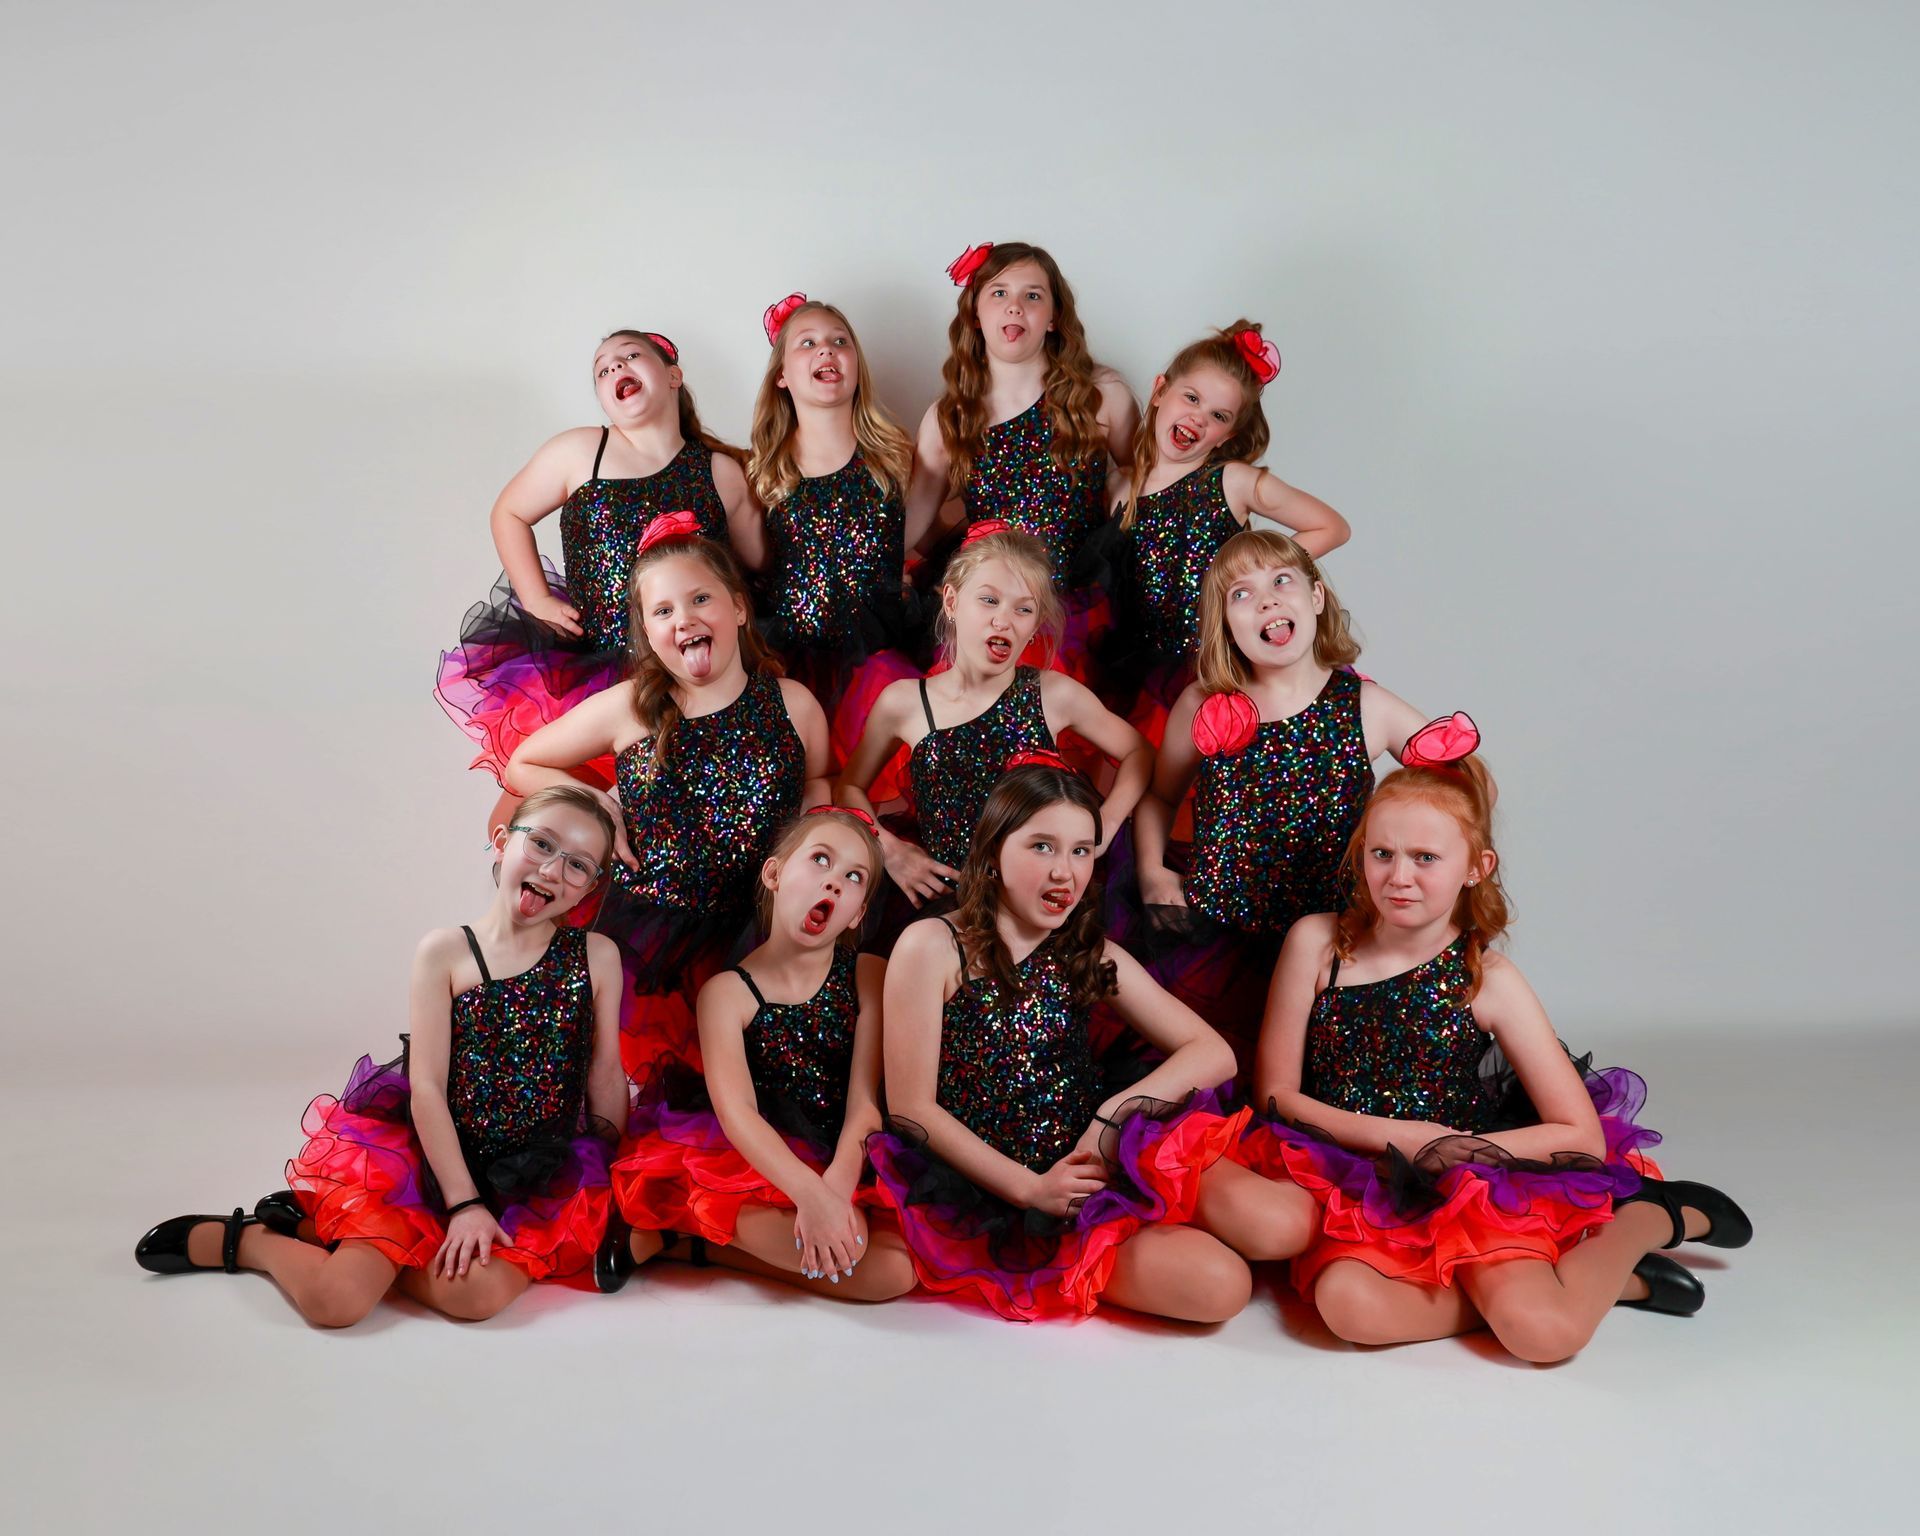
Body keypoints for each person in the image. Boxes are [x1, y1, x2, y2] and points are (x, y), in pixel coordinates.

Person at [1237, 748, 1752, 1360]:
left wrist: (1448, 1150)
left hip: (1466, 1178)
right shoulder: (1317, 942)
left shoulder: (1488, 979)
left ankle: (1649, 1217)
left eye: (1425, 858)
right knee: (1350, 1309)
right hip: (1346, 1173)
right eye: (1383, 854)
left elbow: (1579, 1135)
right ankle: (1601, 1286)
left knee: (1543, 1336)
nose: (1399, 877)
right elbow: (1274, 1095)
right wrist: (1400, 1136)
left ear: (1476, 867)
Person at [135, 787, 628, 1326]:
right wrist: (463, 1204)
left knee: (476, 1298)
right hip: (430, 1161)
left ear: (590, 888)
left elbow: (604, 1071)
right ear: (501, 840)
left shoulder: (595, 957)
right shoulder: (444, 952)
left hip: (535, 1170)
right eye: (541, 845)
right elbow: (429, 1089)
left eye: (578, 865)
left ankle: (333, 1232)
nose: (553, 871)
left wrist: (609, 1177)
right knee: (335, 1303)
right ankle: (251, 1241)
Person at [506, 516, 830, 1080]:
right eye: (663, 611)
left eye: (700, 598)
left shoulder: (793, 703)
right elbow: (522, 763)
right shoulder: (631, 706)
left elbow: (819, 785)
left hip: (759, 928)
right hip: (652, 936)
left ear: (738, 608)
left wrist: (815, 848)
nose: (685, 620)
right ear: (647, 632)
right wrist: (596, 799)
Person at [599, 807, 915, 1302]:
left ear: (857, 912)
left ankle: (688, 1244)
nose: (832, 884)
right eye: (820, 861)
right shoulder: (728, 992)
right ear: (774, 873)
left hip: (846, 1148)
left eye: (853, 877)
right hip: (761, 1151)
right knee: (875, 1274)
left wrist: (831, 1188)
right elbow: (738, 1113)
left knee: (901, 1270)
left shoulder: (870, 975)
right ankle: (692, 1220)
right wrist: (808, 1195)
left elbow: (864, 1102)